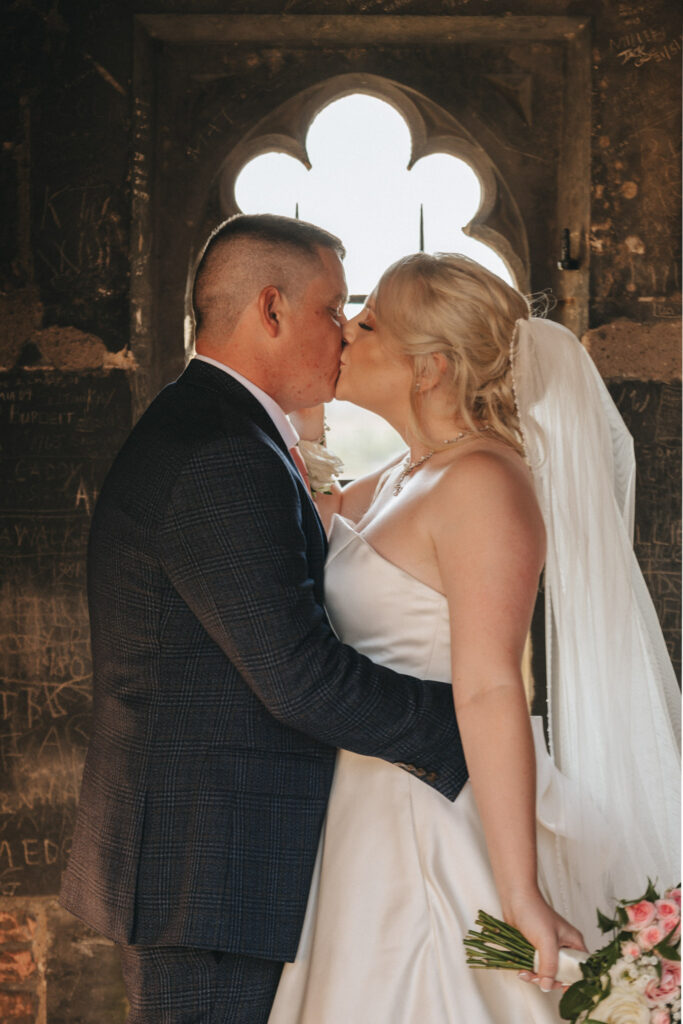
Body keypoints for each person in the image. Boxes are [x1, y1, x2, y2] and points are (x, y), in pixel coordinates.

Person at [59, 216, 473, 1024]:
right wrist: (472, 731)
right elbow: (301, 679)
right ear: (272, 310)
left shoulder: (220, 426)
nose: (344, 337)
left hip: (209, 860)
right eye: (333, 311)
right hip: (210, 873)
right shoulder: (222, 450)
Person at [269, 253, 681, 1022]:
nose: (345, 336)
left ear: (428, 367)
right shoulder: (405, 471)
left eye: (367, 324)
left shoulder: (484, 484)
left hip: (428, 815)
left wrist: (517, 887)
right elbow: (311, 529)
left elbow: (492, 685)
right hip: (357, 814)